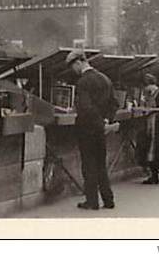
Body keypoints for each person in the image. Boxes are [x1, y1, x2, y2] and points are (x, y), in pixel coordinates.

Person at [67, 50, 117, 210]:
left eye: (72, 67)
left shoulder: (83, 82)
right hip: (101, 130)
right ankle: (108, 200)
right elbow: (114, 104)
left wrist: (97, 123)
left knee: (88, 165)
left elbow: (86, 108)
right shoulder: (105, 79)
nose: (73, 71)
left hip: (87, 129)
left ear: (78, 63)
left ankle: (92, 201)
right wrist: (106, 120)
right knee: (101, 165)